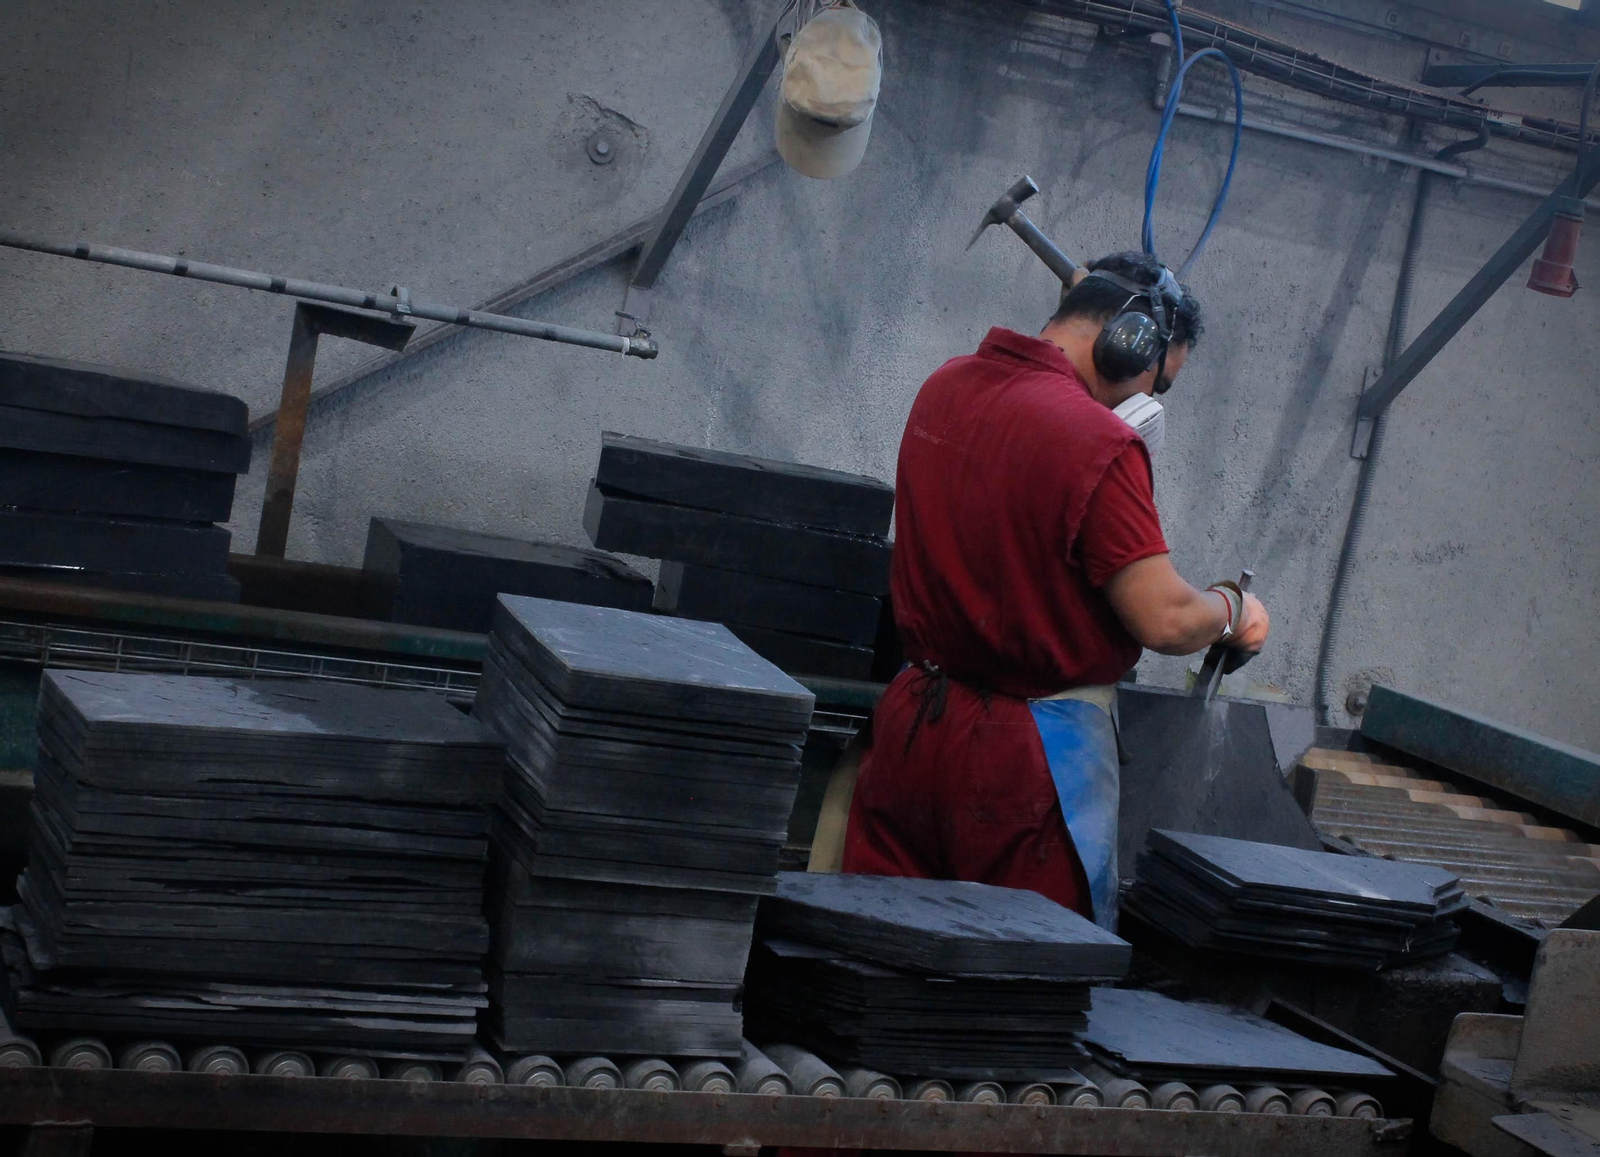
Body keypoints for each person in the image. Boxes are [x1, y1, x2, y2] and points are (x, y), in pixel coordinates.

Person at [839, 251, 1270, 928]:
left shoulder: (945, 386)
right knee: (1026, 968)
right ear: (1130, 344)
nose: (1148, 403)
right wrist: (1234, 609)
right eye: (1157, 380)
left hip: (913, 723)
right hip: (1021, 761)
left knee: (876, 947)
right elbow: (1164, 618)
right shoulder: (1097, 441)